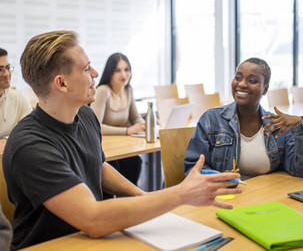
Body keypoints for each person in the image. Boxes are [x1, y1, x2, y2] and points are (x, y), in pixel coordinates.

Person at [2, 31, 242, 250]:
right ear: (61, 83)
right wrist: (181, 194)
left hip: (90, 239)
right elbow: (93, 218)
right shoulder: (30, 144)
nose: (96, 74)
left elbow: (97, 165)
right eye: (86, 69)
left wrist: (143, 196)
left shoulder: (84, 115)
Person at [184, 57, 303, 179]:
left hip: (265, 197)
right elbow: (194, 169)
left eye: (252, 80)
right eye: (238, 77)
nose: (242, 84)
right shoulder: (211, 120)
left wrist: (300, 127)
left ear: (265, 89)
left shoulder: (278, 125)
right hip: (225, 197)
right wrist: (219, 179)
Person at [90, 53, 144, 185]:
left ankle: (131, 202)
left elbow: (135, 117)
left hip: (121, 146)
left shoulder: (128, 90)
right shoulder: (103, 91)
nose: (124, 75)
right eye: (118, 70)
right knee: (114, 165)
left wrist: (144, 124)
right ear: (110, 73)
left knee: (135, 161)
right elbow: (95, 126)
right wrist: (127, 130)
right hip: (104, 149)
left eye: (127, 70)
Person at [0, 48, 32, 140]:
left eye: (7, 68)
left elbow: (30, 130)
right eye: (0, 69)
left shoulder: (18, 98)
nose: (6, 74)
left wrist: (7, 139)